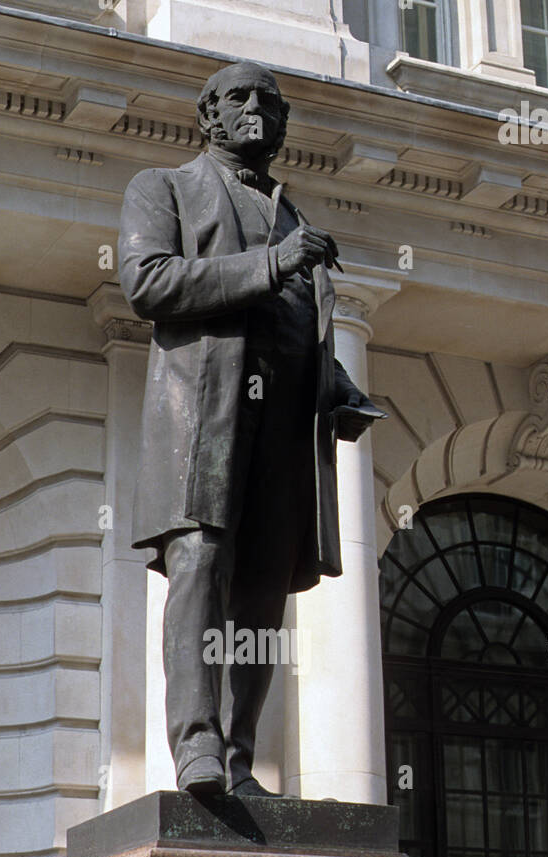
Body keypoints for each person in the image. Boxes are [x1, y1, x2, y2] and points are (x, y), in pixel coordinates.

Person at [118, 61, 382, 796]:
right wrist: (271, 264)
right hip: (204, 419)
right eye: (237, 97)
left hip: (284, 434)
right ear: (208, 115)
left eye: (269, 100)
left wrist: (339, 388)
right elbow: (149, 283)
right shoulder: (163, 188)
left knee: (265, 590)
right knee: (198, 562)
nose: (255, 109)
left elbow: (298, 328)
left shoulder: (295, 218)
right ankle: (196, 746)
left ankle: (238, 763)